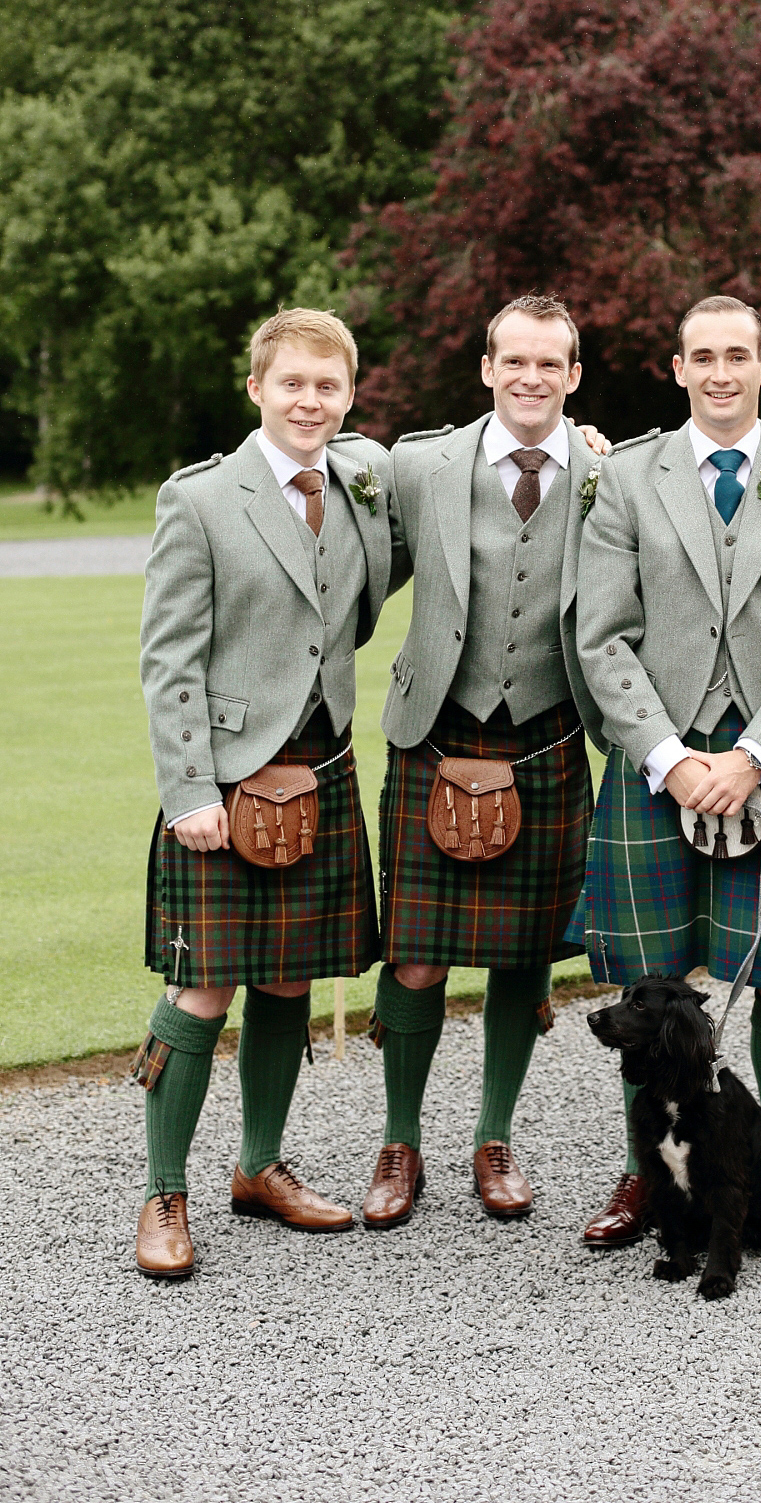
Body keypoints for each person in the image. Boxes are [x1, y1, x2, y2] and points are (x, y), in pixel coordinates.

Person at [571, 295, 761, 1251]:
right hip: (658, 759)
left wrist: (752, 756)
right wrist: (669, 758)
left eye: (739, 355)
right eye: (704, 356)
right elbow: (602, 637)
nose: (722, 371)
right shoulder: (626, 480)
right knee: (647, 988)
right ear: (678, 367)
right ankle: (644, 1179)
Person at [135, 307, 403, 1279]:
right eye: (293, 382)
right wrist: (188, 789)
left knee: (289, 978)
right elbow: (167, 662)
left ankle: (259, 1168)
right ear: (257, 387)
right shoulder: (201, 499)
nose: (310, 401)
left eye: (328, 386)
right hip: (227, 784)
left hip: (321, 772)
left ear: (348, 395)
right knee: (201, 987)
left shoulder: (361, 487)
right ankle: (165, 1192)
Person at [363, 294, 607, 1226]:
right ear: (487, 366)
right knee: (417, 958)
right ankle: (400, 1142)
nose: (531, 379)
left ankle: (494, 1137)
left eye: (550, 365)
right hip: (435, 731)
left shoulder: (602, 470)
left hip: (546, 735)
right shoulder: (418, 464)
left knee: (524, 957)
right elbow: (354, 573)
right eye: (516, 362)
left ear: (573, 376)